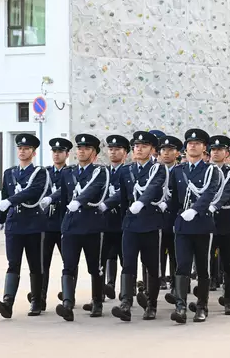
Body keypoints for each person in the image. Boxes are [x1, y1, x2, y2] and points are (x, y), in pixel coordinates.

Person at [101, 131, 168, 321]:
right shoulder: (126, 170)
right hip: (130, 224)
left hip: (150, 224)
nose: (138, 149)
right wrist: (109, 205)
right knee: (128, 265)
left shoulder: (158, 169)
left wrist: (141, 203)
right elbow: (122, 198)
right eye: (136, 146)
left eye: (144, 146)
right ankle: (126, 303)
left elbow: (153, 187)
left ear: (152, 150)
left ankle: (151, 304)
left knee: (151, 266)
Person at [0, 134, 50, 318]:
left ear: (33, 152)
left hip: (33, 224)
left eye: (26, 149)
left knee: (35, 264)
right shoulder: (9, 173)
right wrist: (1, 219)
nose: (22, 151)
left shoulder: (39, 173)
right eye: (20, 148)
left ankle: (36, 301)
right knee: (13, 264)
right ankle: (7, 302)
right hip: (14, 225)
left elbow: (33, 192)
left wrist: (10, 201)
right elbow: (4, 195)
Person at [55, 134, 110, 321]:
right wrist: (63, 224)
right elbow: (63, 200)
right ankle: (68, 303)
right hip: (71, 227)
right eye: (79, 148)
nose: (81, 151)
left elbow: (94, 189)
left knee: (95, 267)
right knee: (68, 266)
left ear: (94, 153)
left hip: (92, 226)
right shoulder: (68, 172)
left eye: (86, 148)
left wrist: (78, 202)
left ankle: (97, 301)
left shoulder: (100, 172)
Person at [168, 129, 220, 324]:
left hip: (202, 224)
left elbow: (209, 193)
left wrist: (195, 210)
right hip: (182, 224)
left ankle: (201, 306)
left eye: (197, 143)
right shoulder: (178, 170)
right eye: (190, 143)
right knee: (181, 266)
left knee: (202, 267)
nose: (193, 146)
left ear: (204, 147)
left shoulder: (211, 170)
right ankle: (180, 307)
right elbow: (174, 199)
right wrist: (174, 220)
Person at [28, 137, 73, 312]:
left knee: (68, 263)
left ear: (67, 154)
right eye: (54, 151)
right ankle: (38, 300)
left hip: (64, 224)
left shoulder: (71, 172)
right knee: (41, 264)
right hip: (45, 225)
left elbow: (66, 190)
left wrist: (52, 198)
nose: (56, 154)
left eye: (60, 151)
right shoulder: (44, 173)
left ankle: (68, 297)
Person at [206, 135, 230, 315]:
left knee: (228, 263)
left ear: (227, 153)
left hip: (227, 221)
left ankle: (229, 300)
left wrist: (212, 205)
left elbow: (227, 192)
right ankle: (202, 303)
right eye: (213, 150)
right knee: (205, 262)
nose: (216, 153)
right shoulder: (205, 170)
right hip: (208, 222)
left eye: (220, 150)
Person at [101, 135, 130, 301]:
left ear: (125, 153)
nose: (113, 152)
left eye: (117, 149)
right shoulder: (103, 172)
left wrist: (107, 203)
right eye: (110, 149)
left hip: (122, 219)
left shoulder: (128, 172)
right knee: (108, 255)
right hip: (105, 221)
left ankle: (128, 289)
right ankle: (109, 285)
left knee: (125, 256)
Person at [158, 135, 183, 291]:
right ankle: (159, 279)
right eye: (163, 150)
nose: (166, 153)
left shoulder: (181, 171)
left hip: (175, 218)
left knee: (176, 252)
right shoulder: (155, 171)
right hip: (158, 218)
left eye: (170, 150)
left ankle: (176, 283)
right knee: (158, 251)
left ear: (177, 153)